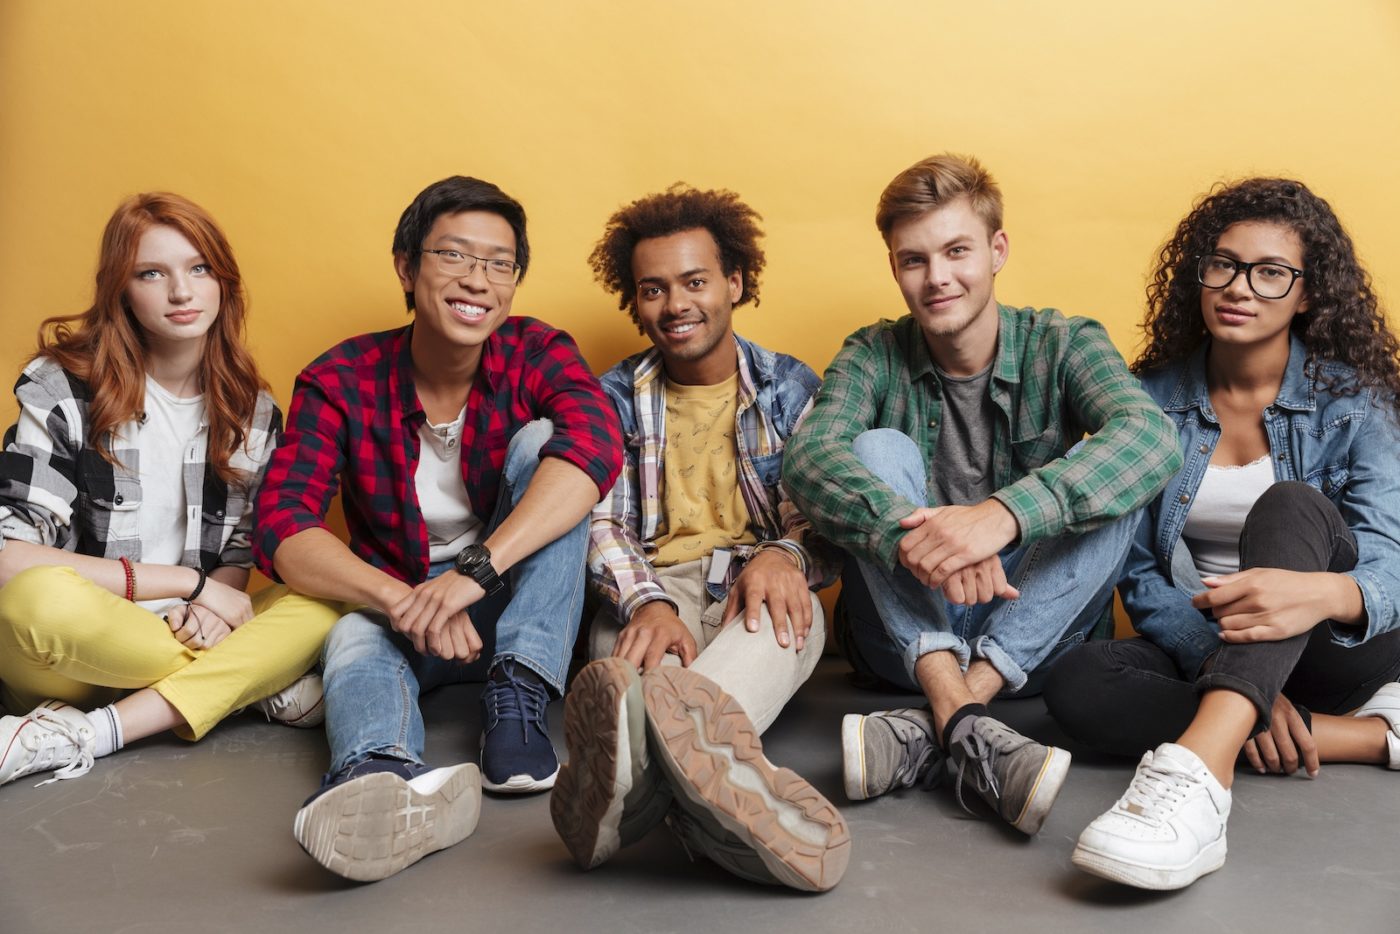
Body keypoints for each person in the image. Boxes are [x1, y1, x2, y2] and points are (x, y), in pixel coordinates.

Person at [782, 154, 1180, 836]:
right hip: (896, 639)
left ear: (997, 251)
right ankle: (966, 718)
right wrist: (918, 538)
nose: (937, 278)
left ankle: (941, 721)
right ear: (895, 268)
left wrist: (1002, 517)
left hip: (1034, 633)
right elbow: (808, 458)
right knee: (876, 452)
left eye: (957, 251)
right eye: (914, 260)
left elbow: (1152, 438)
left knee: (1116, 466)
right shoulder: (873, 353)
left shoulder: (1065, 342)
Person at [254, 176, 623, 882]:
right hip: (411, 608)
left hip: (519, 604)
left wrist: (473, 574)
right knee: (352, 633)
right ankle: (379, 775)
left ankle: (517, 695)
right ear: (405, 267)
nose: (477, 281)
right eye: (453, 256)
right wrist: (400, 600)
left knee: (547, 444)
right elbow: (282, 523)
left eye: (498, 264)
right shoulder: (341, 378)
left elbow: (595, 446)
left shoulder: (535, 350)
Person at [1045, 178, 1400, 890]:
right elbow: (1140, 572)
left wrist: (1322, 593)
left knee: (1291, 505)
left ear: (1307, 295)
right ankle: (1353, 735)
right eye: (1224, 264)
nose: (1240, 287)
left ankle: (1200, 779)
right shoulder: (1145, 402)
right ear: (1198, 276)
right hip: (1212, 645)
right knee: (1077, 680)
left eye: (1271, 273)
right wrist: (1218, 662)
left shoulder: (1355, 403)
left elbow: (1389, 560)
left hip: (1337, 645)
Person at [550, 185, 849, 892]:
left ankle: (625, 802)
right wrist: (646, 603)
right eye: (653, 289)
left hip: (760, 583)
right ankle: (722, 802)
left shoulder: (788, 387)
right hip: (652, 591)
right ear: (634, 300)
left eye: (694, 282)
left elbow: (827, 512)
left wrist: (787, 553)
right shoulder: (613, 396)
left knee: (677, 710)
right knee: (632, 686)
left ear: (735, 283)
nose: (675, 305)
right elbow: (598, 519)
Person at [0, 192, 337, 788]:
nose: (182, 292)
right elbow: (7, 555)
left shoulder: (252, 412)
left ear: (223, 282)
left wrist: (210, 610)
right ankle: (248, 683)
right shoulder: (62, 387)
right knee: (36, 601)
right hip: (77, 644)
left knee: (334, 600)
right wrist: (189, 585)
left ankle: (86, 731)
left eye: (198, 268)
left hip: (180, 632)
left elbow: (236, 556)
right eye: (152, 273)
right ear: (121, 290)